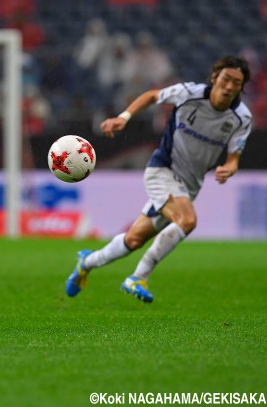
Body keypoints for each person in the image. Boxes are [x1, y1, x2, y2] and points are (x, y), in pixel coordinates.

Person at [65, 56, 252, 303]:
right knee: (187, 221)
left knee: (133, 240)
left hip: (190, 185)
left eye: (236, 83)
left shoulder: (241, 117)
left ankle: (86, 262)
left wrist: (229, 167)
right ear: (215, 77)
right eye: (226, 79)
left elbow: (233, 158)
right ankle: (138, 277)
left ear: (241, 87)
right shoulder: (190, 93)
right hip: (162, 170)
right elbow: (152, 96)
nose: (229, 87)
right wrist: (124, 117)